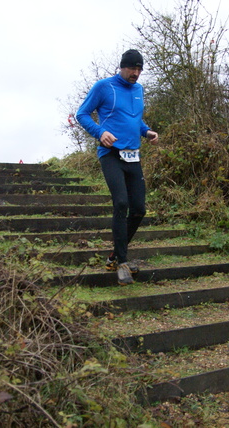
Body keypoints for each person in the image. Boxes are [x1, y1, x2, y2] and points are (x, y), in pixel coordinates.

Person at [76, 49, 159, 285]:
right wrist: (100, 132)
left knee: (139, 209)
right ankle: (122, 262)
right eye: (132, 68)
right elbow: (82, 114)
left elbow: (134, 119)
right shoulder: (104, 87)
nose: (135, 73)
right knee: (121, 202)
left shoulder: (139, 90)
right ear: (122, 66)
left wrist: (147, 131)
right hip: (111, 154)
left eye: (139, 69)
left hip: (133, 156)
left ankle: (114, 255)